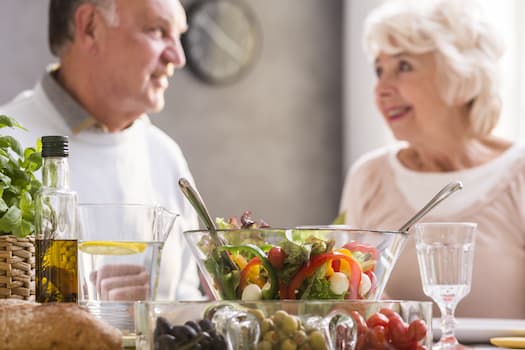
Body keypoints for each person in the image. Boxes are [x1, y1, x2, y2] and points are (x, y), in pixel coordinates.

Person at [0, 0, 202, 300]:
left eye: (178, 35)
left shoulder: (166, 156)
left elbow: (187, 304)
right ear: (91, 27)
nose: (179, 57)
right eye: (158, 31)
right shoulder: (7, 146)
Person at [340, 0, 525, 319]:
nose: (381, 88)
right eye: (378, 70)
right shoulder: (368, 176)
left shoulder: (518, 174)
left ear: (461, 75)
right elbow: (348, 295)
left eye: (404, 66)